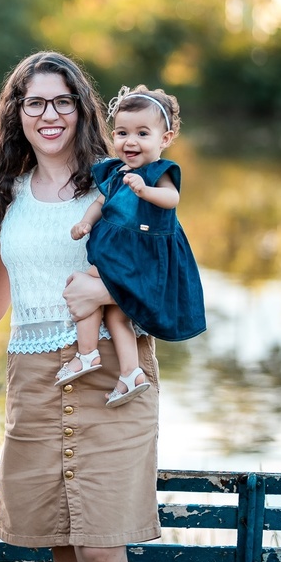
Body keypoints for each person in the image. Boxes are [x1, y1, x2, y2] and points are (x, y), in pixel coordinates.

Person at [0, 52, 160, 562]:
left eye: (62, 101)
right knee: (61, 541)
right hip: (34, 378)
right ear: (18, 112)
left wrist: (105, 294)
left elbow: (165, 284)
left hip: (111, 373)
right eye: (35, 102)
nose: (49, 115)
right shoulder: (8, 194)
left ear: (82, 109)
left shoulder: (120, 180)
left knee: (101, 549)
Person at [61, 84, 206, 407]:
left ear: (164, 139)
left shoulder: (158, 173)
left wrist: (145, 191)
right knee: (116, 316)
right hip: (114, 250)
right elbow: (100, 202)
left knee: (82, 287)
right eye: (122, 133)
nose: (131, 141)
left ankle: (86, 354)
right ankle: (131, 374)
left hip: (136, 257)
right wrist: (85, 222)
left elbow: (172, 199)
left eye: (143, 133)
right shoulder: (115, 172)